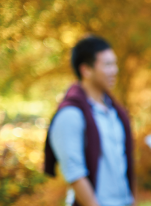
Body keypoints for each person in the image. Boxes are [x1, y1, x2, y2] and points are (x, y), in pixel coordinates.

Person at [44, 36, 136, 206]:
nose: (115, 70)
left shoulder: (114, 111)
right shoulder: (70, 114)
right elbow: (74, 174)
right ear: (86, 70)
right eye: (108, 65)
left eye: (115, 64)